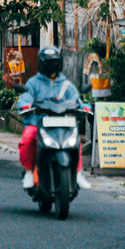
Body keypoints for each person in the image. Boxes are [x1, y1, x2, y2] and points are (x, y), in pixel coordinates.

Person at [17, 46, 91, 190]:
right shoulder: (33, 83)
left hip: (63, 124)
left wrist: (85, 107)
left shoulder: (66, 85)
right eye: (47, 62)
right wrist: (25, 105)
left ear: (60, 63)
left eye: (54, 62)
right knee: (27, 138)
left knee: (76, 142)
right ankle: (28, 172)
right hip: (38, 123)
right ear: (40, 64)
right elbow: (25, 97)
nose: (51, 65)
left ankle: (78, 173)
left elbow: (77, 101)